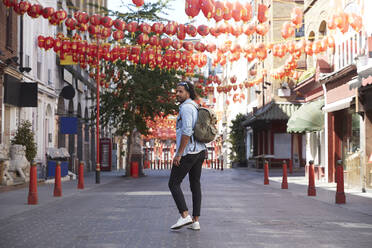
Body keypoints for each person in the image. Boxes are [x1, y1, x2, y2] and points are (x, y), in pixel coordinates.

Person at [168, 81, 206, 231]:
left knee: (173, 183)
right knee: (195, 184)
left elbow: (187, 132)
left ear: (188, 93)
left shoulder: (186, 108)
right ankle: (195, 221)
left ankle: (185, 216)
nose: (177, 94)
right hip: (200, 151)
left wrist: (179, 154)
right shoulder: (195, 106)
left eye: (180, 92)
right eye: (176, 91)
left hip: (189, 152)